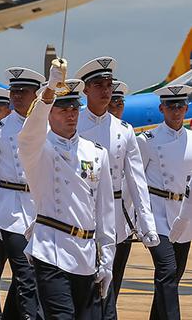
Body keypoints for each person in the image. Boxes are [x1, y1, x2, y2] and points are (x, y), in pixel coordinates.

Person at [18, 65, 115, 319]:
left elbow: (104, 210)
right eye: (63, 109)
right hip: (52, 249)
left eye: (74, 109)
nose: (71, 115)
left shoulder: (96, 152)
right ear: (51, 114)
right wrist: (49, 91)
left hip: (86, 253)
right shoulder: (41, 149)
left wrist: (107, 260)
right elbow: (29, 135)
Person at [73, 57, 157, 320]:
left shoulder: (124, 130)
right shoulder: (73, 125)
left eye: (109, 85)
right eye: (98, 85)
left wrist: (147, 223)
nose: (106, 90)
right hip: (80, 216)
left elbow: (137, 181)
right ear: (86, 90)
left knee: (110, 289)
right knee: (81, 290)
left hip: (116, 222)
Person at [0, 68, 44, 320]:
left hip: (41, 209)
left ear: (36, 95)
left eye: (24, 92)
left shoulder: (49, 127)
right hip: (10, 209)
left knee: (38, 275)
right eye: (14, 91)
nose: (17, 96)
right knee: (26, 272)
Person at [136, 83, 192, 319]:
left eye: (180, 106)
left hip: (184, 214)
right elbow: (135, 181)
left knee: (171, 277)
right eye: (171, 106)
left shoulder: (191, 139)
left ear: (186, 108)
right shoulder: (147, 140)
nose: (176, 111)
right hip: (157, 213)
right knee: (167, 271)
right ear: (162, 109)